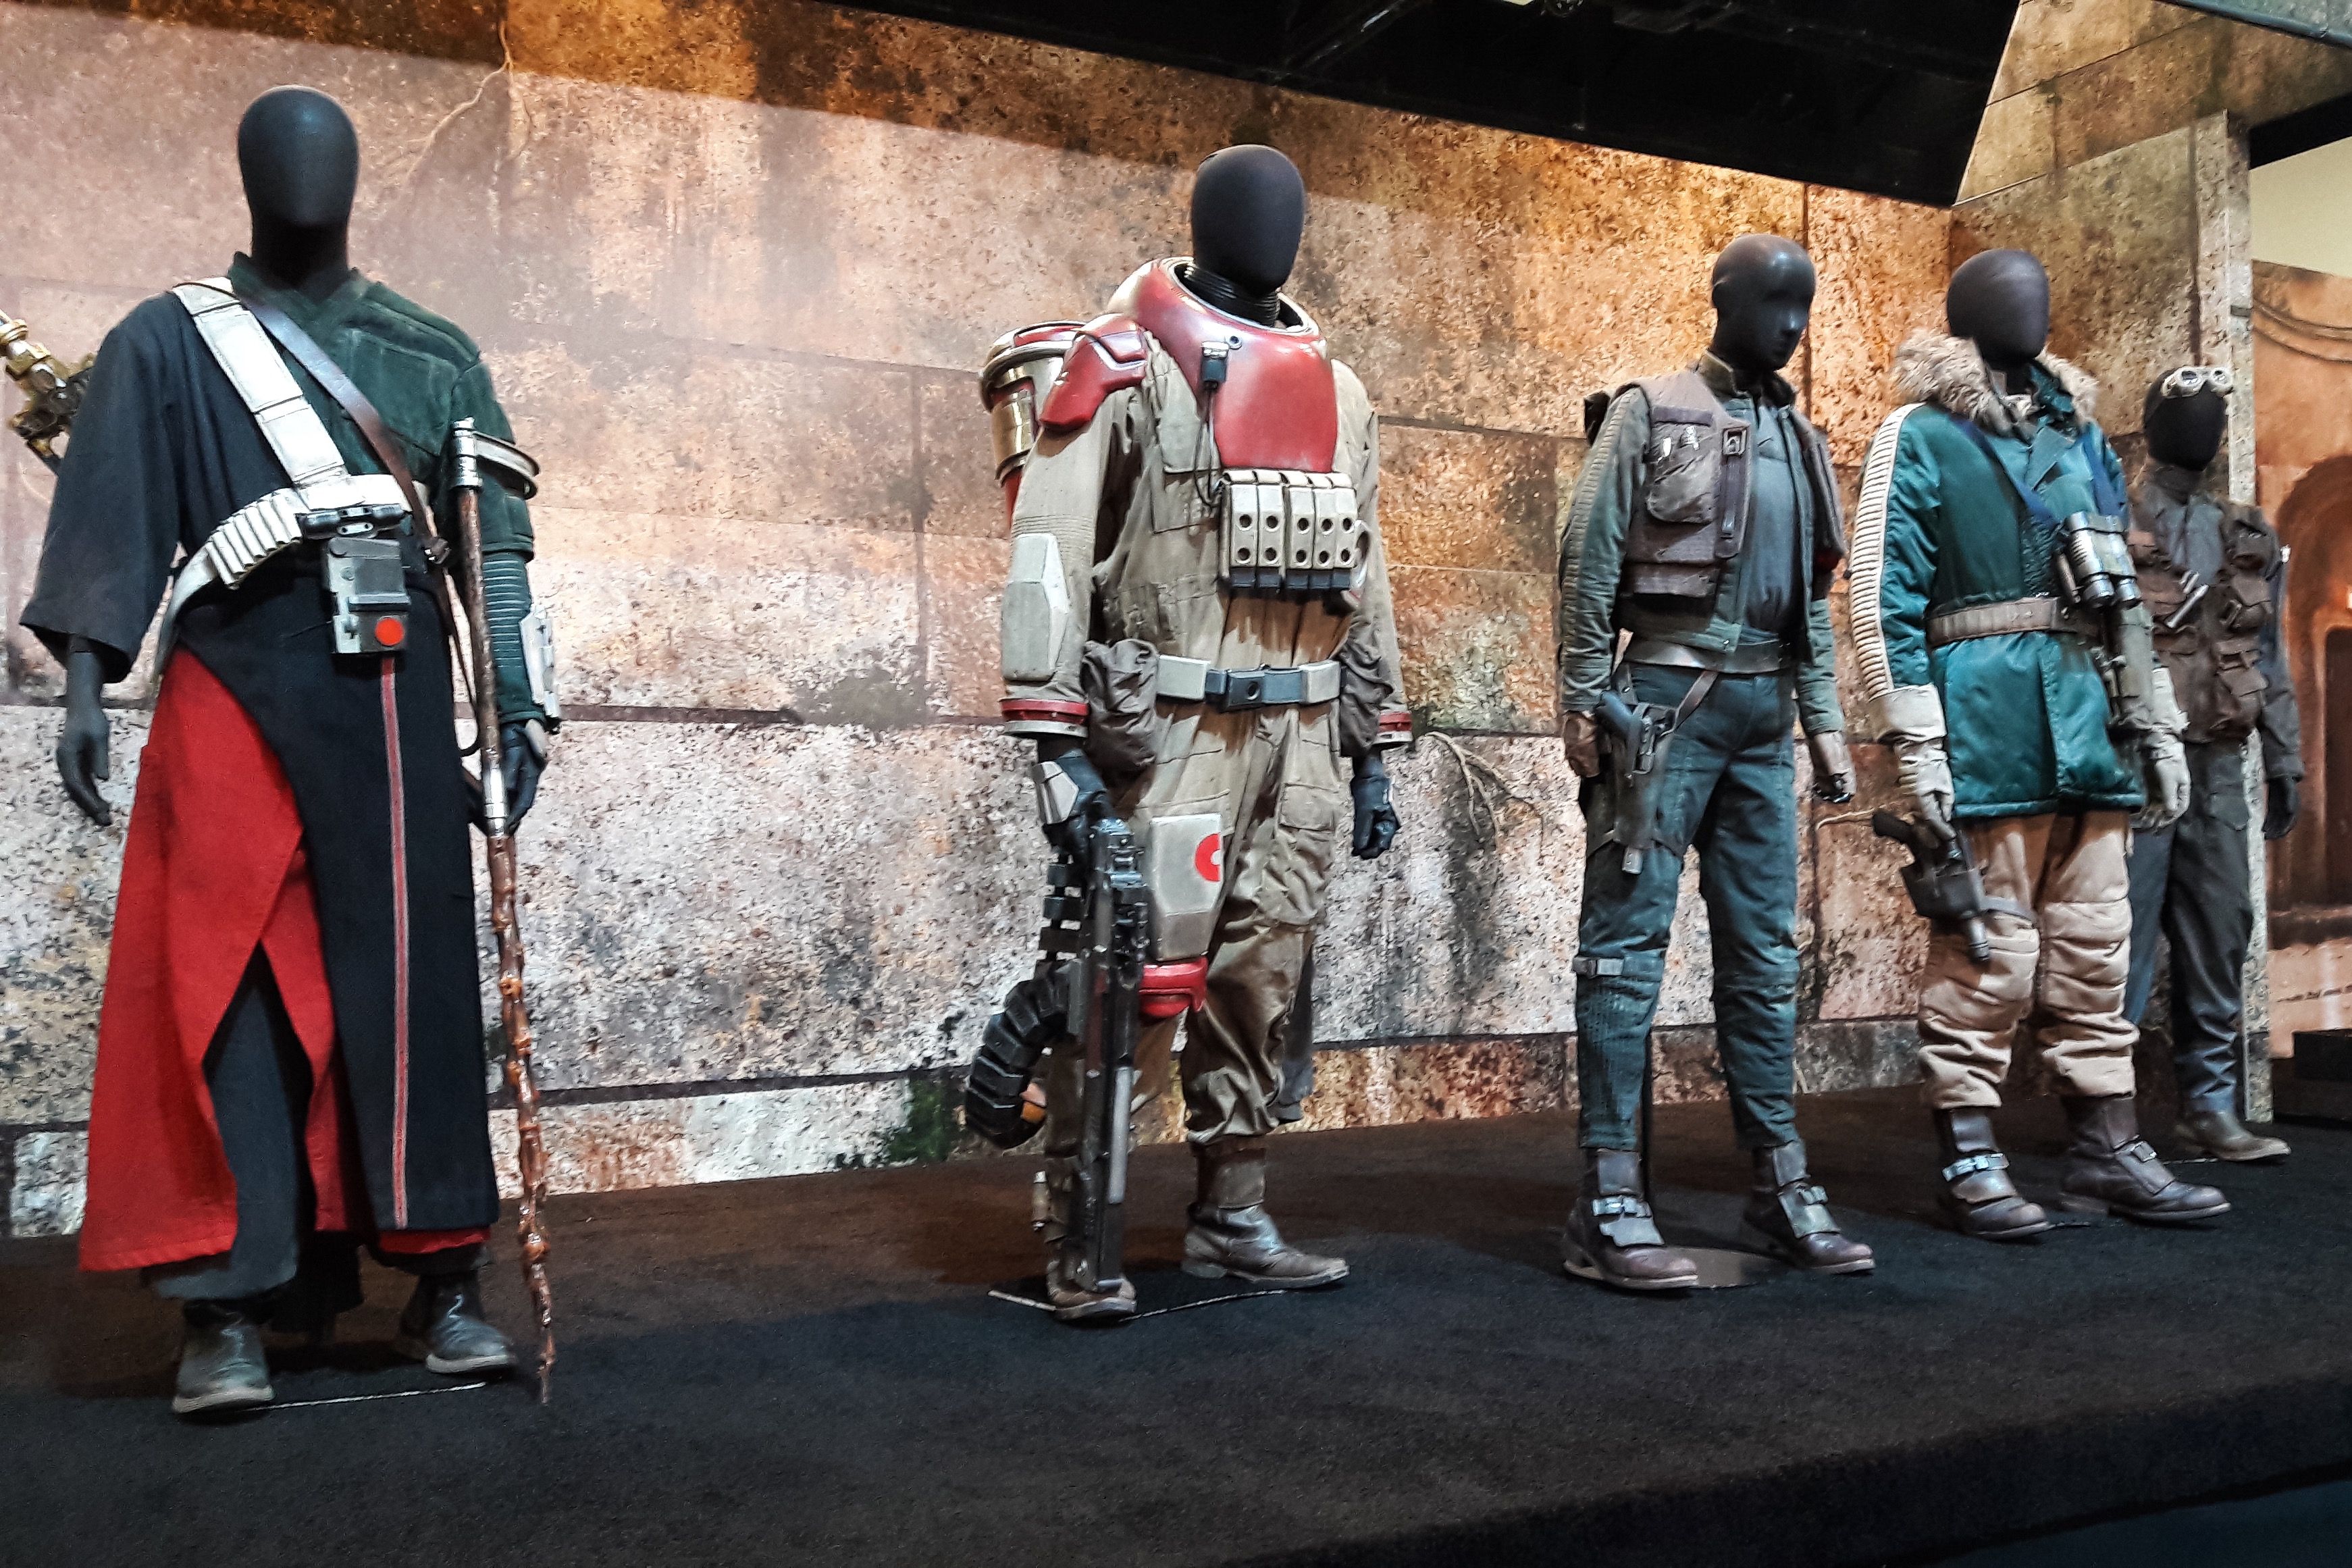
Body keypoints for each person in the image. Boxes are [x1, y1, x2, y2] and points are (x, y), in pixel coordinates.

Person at [21, 87, 554, 1415]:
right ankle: (228, 1304)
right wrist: (85, 676)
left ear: (358, 179)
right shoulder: (165, 340)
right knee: (232, 982)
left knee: (416, 984)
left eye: (325, 160)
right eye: (280, 158)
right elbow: (114, 510)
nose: (303, 180)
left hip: (392, 694)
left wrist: (516, 708)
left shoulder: (431, 352)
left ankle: (442, 1279)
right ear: (248, 177)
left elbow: (490, 548)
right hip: (234, 685)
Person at [989, 145, 1410, 1321]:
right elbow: (1048, 547)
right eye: (1254, 213)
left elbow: (1368, 574)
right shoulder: (1121, 366)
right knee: (1129, 982)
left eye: (1290, 214)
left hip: (1302, 735)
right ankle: (1082, 1231)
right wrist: (1054, 744)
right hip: (1170, 729)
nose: (1276, 232)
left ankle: (1233, 1210)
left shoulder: (1342, 394)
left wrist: (1372, 745)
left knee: (1260, 979)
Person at [1848, 249, 2225, 1240]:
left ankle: (2105, 1144)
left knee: (2097, 945)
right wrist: (1914, 741)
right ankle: (1969, 1152)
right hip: (1986, 718)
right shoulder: (1919, 436)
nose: (2035, 313)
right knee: (1987, 945)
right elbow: (1878, 598)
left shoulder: (2080, 437)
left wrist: (2152, 720)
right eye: (2014, 298)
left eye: (2040, 298)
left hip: (2086, 717)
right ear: (1970, 312)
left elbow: (2123, 598)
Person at [1554, 234, 1873, 1290]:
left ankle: (1778, 1182)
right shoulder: (1650, 410)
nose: (1791, 323)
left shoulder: (1800, 438)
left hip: (1761, 721)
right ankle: (1606, 1196)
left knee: (1764, 957)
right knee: (1622, 948)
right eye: (1773, 301)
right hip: (1663, 704)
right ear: (1722, 300)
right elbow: (1587, 554)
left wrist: (1823, 724)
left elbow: (1810, 602)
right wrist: (1580, 697)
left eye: (1804, 306)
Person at [2123, 365, 2301, 1161]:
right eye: (2187, 413)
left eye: (2214, 415)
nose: (2205, 428)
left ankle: (2209, 1105)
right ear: (2154, 426)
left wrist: (2284, 759)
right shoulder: (2113, 519)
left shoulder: (2247, 535)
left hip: (2222, 761)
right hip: (2136, 762)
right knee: (2119, 940)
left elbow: (2270, 657)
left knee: (2221, 931)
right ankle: (2106, 1115)